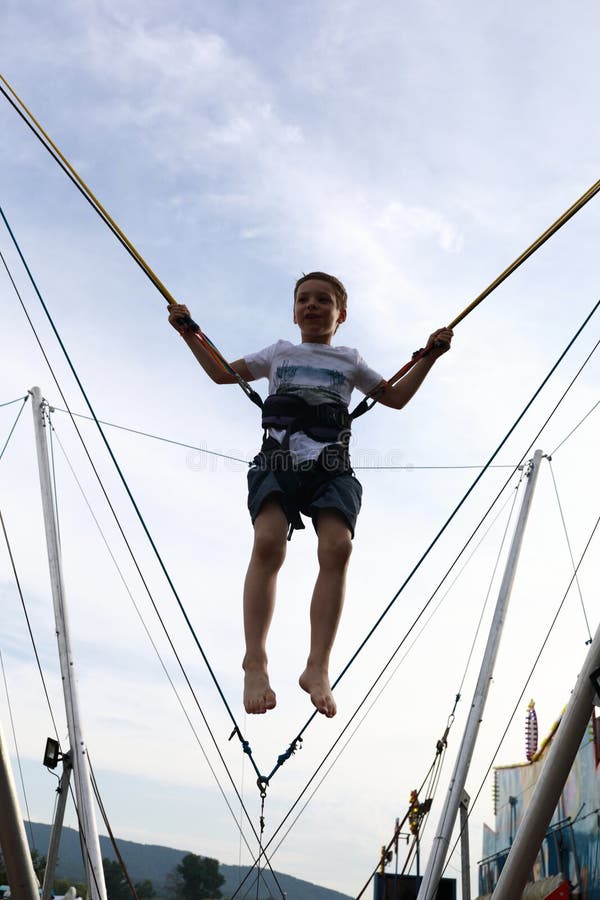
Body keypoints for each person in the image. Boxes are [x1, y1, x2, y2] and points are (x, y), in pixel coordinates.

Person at [168, 272, 453, 718]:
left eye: (323, 300)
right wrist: (189, 332)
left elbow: (394, 398)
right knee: (267, 542)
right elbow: (223, 374)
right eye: (304, 299)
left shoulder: (350, 360)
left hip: (330, 466)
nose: (313, 306)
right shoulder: (278, 353)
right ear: (294, 310)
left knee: (338, 548)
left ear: (341, 315)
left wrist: (429, 357)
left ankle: (317, 667)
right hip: (278, 460)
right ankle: (255, 660)